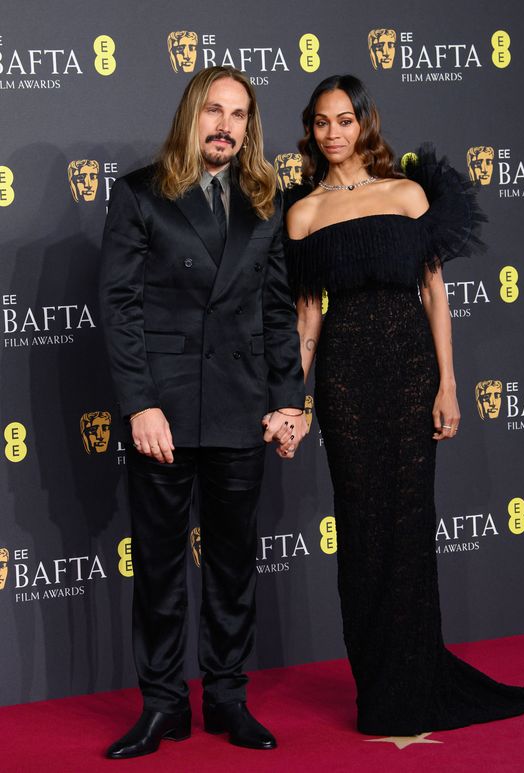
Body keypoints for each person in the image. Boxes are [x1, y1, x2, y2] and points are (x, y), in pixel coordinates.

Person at [284, 74, 524, 736]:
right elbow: (307, 318)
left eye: (345, 119)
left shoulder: (406, 192)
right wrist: (294, 397)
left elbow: (434, 292)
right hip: (344, 378)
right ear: (311, 130)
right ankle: (379, 688)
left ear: (365, 123)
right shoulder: (303, 212)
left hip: (409, 370)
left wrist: (448, 381)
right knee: (363, 530)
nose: (334, 131)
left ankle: (417, 682)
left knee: (407, 526)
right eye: (322, 121)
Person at [100, 65, 306, 759]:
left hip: (241, 408)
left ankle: (226, 698)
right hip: (163, 411)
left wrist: (287, 403)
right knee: (158, 569)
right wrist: (140, 405)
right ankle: (163, 705)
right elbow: (121, 309)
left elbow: (277, 313)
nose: (225, 125)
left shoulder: (266, 200)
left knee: (231, 565)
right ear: (192, 115)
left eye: (239, 114)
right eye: (214, 110)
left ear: (250, 126)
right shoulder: (139, 194)